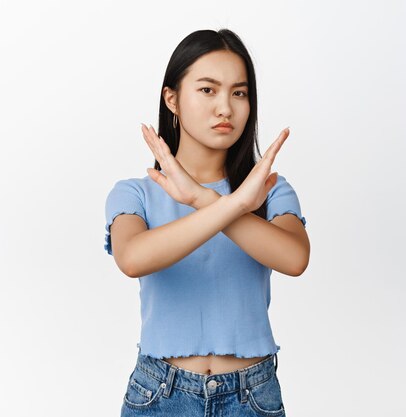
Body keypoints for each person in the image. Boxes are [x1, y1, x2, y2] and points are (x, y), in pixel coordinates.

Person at [104, 28, 310, 417]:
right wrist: (232, 206)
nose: (225, 108)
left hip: (252, 396)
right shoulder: (135, 193)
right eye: (207, 90)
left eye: (239, 92)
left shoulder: (267, 189)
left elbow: (294, 258)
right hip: (160, 395)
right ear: (172, 99)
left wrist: (203, 199)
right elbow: (132, 258)